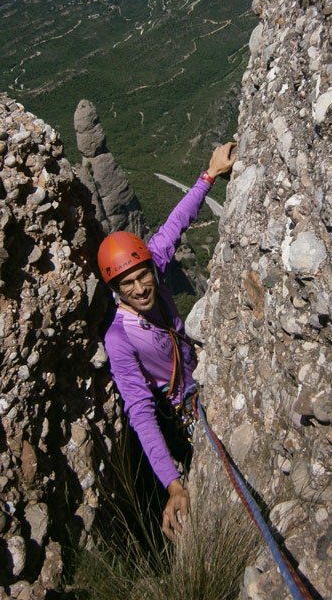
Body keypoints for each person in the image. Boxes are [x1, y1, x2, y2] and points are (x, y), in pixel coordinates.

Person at [98, 143, 236, 541]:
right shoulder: (119, 339)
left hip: (204, 368)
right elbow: (140, 412)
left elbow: (177, 222)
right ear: (116, 288)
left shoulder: (152, 266)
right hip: (185, 405)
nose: (142, 288)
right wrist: (174, 485)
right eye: (129, 284)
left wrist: (209, 175)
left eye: (143, 277)